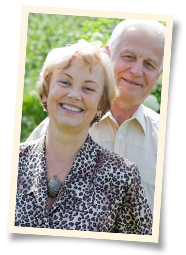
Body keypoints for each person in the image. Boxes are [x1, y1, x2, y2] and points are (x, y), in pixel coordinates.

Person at [27, 19, 165, 213]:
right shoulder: (56, 127)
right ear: (107, 55)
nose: (136, 71)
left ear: (158, 75)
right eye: (129, 56)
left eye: (149, 64)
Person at [15, 40, 152, 233]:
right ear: (45, 92)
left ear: (101, 105)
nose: (74, 95)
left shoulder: (123, 177)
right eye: (64, 82)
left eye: (88, 88)